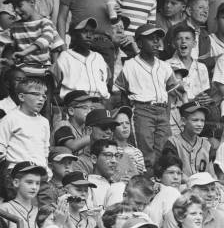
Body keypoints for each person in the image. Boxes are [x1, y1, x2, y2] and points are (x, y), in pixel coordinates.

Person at [114, 24, 183, 170]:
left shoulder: (164, 66)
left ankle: (158, 183)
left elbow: (170, 93)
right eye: (151, 39)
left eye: (158, 39)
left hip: (162, 110)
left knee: (163, 151)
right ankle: (146, 183)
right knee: (146, 154)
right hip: (141, 109)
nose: (156, 42)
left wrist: (166, 114)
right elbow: (122, 95)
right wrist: (131, 112)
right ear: (139, 43)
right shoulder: (130, 65)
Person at [51, 17, 110, 100]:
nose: (89, 36)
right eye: (85, 31)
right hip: (77, 103)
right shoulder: (65, 56)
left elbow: (106, 81)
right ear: (74, 35)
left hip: (98, 102)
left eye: (92, 32)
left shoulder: (98, 57)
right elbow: (54, 84)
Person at [4, 0, 64, 65]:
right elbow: (11, 48)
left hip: (43, 71)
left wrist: (55, 67)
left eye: (19, 5)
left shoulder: (45, 23)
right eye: (14, 7)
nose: (16, 10)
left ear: (32, 2)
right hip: (22, 70)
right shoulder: (14, 27)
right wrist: (9, 62)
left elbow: (47, 40)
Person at [0, 77, 50, 170]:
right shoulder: (10, 119)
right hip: (17, 171)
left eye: (44, 96)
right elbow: (1, 147)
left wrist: (46, 169)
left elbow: (45, 150)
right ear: (22, 97)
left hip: (39, 171)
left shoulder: (44, 122)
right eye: (36, 94)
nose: (41, 99)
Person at [163, 101, 213, 177]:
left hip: (203, 186)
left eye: (202, 120)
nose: (200, 124)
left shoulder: (206, 144)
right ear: (183, 121)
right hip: (181, 186)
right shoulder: (173, 142)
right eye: (195, 120)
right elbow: (172, 173)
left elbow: (212, 173)